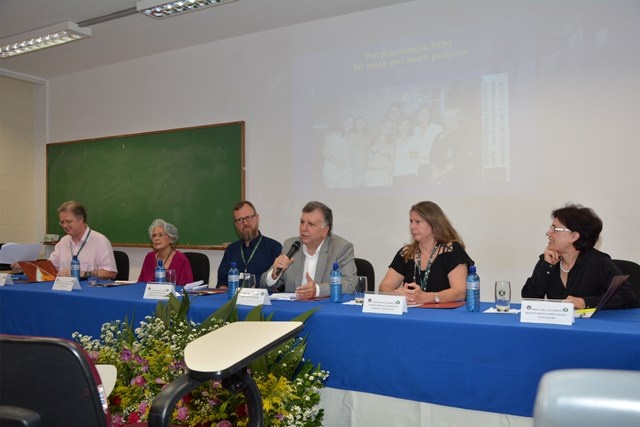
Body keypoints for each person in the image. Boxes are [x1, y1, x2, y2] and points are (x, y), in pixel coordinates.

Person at [521, 204, 638, 309]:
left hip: (590, 328)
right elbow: (529, 299)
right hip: (556, 327)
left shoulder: (599, 262)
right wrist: (546, 266)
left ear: (574, 236)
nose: (548, 233)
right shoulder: (547, 259)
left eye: (554, 229)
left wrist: (585, 302)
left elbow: (629, 297)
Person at [378, 201, 473, 305]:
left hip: (444, 316)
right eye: (411, 221)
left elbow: (460, 292)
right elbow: (384, 286)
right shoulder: (406, 253)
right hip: (412, 314)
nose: (412, 227)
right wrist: (396, 294)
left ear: (434, 224)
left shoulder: (451, 251)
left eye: (418, 222)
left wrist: (426, 298)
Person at [260, 201, 356, 298]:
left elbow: (350, 285)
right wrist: (274, 275)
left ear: (325, 230)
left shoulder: (341, 248)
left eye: (310, 224)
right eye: (302, 222)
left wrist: (317, 290)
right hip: (293, 309)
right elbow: (264, 284)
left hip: (324, 310)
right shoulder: (291, 245)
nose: (303, 228)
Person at [216, 201, 282, 288]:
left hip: (261, 300)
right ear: (235, 224)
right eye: (239, 220)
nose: (245, 223)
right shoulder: (231, 250)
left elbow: (279, 286)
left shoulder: (274, 248)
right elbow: (222, 283)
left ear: (257, 218)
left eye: (248, 218)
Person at [46, 201, 118, 279]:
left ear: (81, 219)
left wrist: (83, 274)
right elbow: (49, 267)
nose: (65, 225)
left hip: (92, 288)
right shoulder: (63, 242)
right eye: (62, 222)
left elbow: (110, 273)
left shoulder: (100, 241)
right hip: (65, 288)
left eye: (68, 221)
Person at [138, 219, 193, 285]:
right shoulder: (149, 257)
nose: (156, 238)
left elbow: (187, 289)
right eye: (154, 235)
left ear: (171, 239)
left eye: (160, 235)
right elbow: (140, 283)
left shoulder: (181, 260)